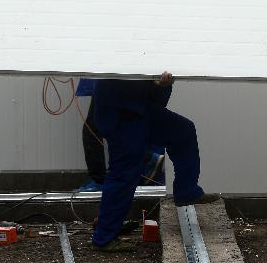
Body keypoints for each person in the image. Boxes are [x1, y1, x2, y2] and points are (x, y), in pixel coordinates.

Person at [91, 72, 217, 252]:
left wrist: (161, 86)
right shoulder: (122, 51)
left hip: (140, 108)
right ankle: (103, 237)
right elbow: (122, 77)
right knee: (125, 171)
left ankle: (186, 192)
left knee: (183, 131)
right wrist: (156, 84)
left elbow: (156, 98)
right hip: (120, 113)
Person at [75, 78, 165, 193]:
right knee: (115, 124)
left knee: (93, 128)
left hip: (108, 76)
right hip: (117, 77)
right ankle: (146, 159)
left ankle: (98, 180)